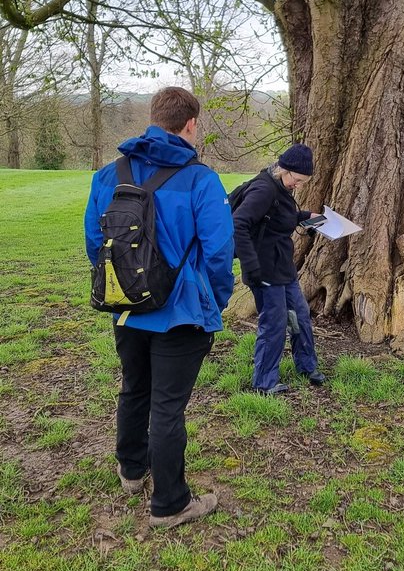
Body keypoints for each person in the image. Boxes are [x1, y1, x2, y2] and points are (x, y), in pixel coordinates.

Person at [85, 86, 234, 528]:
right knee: (168, 407)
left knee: (134, 388)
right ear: (190, 124)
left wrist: (123, 288)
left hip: (126, 306)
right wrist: (216, 299)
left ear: (153, 117)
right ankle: (170, 503)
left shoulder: (110, 174)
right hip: (181, 312)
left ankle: (131, 469)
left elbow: (96, 242)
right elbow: (220, 251)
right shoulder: (200, 178)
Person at [233, 144, 325, 395]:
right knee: (273, 324)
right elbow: (238, 224)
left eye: (303, 182)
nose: (298, 185)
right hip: (264, 270)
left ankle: (306, 366)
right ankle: (265, 382)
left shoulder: (281, 187)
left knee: (300, 314)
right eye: (297, 180)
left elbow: (279, 217)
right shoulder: (264, 189)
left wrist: (307, 216)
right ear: (283, 169)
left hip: (283, 267)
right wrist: (251, 266)